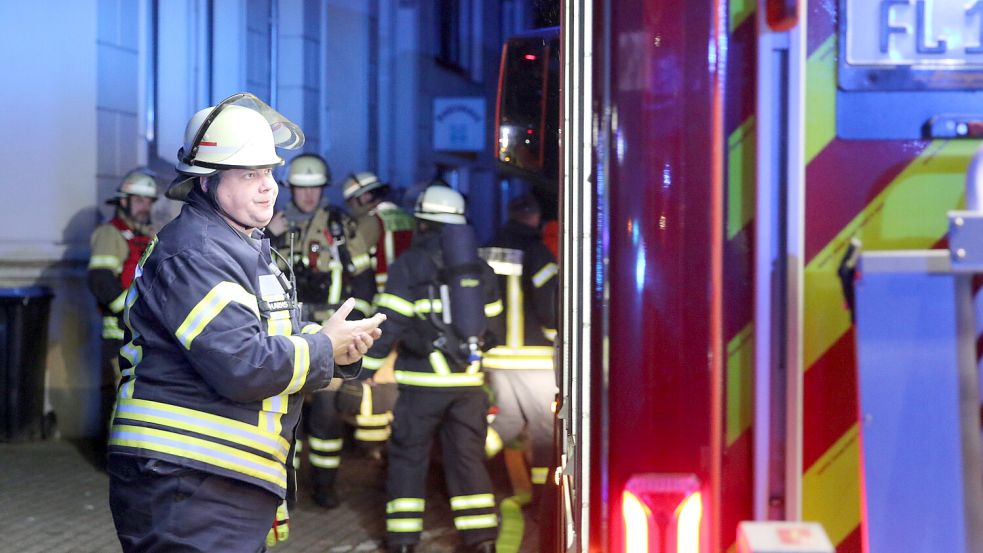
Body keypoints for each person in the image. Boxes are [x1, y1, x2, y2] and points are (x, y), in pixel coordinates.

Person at [106, 92, 385, 553]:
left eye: (270, 171)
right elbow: (241, 364)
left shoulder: (239, 247)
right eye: (249, 173)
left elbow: (256, 343)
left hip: (216, 479)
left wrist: (331, 351)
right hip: (185, 480)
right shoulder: (196, 251)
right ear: (206, 182)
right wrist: (320, 349)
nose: (268, 186)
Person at [360, 183, 505, 553]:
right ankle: (483, 540)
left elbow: (387, 324)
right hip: (468, 385)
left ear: (422, 222)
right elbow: (496, 331)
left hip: (421, 385)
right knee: (467, 459)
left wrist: (365, 370)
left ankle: (404, 542)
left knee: (408, 459)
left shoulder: (410, 264)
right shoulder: (480, 267)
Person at [264, 154, 377, 509]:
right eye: (302, 188)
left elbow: (365, 278)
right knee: (285, 416)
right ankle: (285, 492)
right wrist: (268, 235)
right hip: (285, 332)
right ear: (290, 189)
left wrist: (359, 327)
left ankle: (326, 488)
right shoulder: (270, 223)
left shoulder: (340, 225)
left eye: (315, 189)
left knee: (326, 415)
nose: (308, 196)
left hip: (329, 331)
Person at [479, 193, 559, 552]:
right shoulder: (539, 252)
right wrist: (561, 337)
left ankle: (467, 458)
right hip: (533, 358)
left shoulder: (488, 249)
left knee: (508, 420)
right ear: (536, 218)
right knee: (544, 430)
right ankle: (544, 503)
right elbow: (549, 306)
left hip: (496, 357)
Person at [337, 171, 415, 459]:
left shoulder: (370, 221)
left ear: (364, 197)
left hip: (383, 304)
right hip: (412, 307)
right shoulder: (407, 217)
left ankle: (371, 447)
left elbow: (357, 267)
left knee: (371, 371)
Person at [87, 168, 159, 459]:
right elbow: (100, 281)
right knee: (121, 397)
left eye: (148, 201)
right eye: (138, 200)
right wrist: (130, 311)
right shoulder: (110, 234)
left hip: (145, 331)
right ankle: (115, 459)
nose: (145, 206)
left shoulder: (147, 237)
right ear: (123, 201)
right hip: (120, 331)